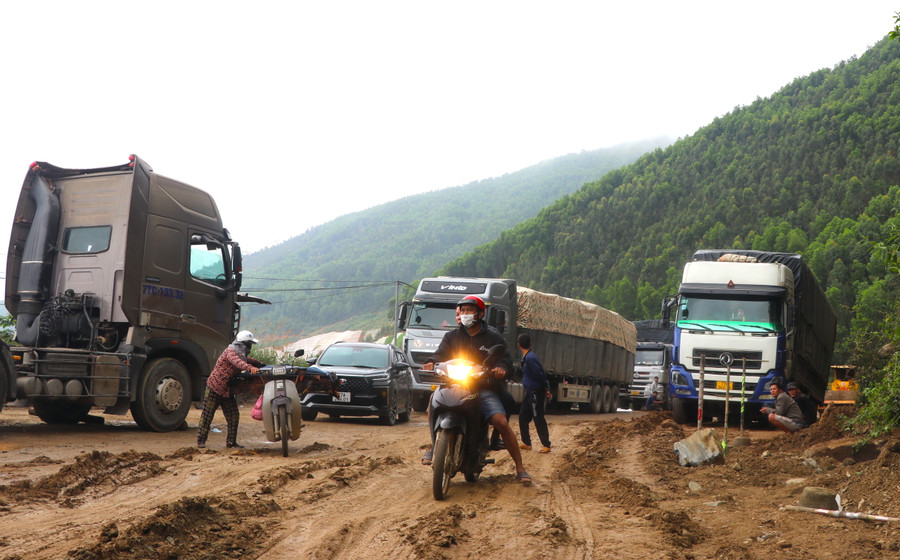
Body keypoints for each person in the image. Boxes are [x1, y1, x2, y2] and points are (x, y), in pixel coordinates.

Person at [420, 295, 532, 484]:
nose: (465, 314)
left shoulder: (493, 337)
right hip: (454, 384)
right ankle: (434, 446)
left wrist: (501, 369)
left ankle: (520, 468)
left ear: (480, 314)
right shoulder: (452, 336)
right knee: (433, 405)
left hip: (482, 388)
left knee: (501, 422)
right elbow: (440, 354)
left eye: (469, 310)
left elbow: (504, 359)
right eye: (462, 310)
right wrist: (431, 362)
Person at [197, 330, 266, 449]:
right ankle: (201, 441)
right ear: (244, 344)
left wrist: (261, 365)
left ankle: (231, 442)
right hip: (215, 387)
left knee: (234, 415)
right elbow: (238, 363)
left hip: (227, 390)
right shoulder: (230, 352)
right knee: (207, 415)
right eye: (249, 344)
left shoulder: (240, 354)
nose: (250, 347)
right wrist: (250, 368)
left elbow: (247, 360)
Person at [516, 333, 552, 454]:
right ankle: (527, 443)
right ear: (531, 343)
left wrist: (546, 388)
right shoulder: (527, 357)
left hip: (536, 392)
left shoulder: (530, 358)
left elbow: (540, 374)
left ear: (518, 345)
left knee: (538, 417)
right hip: (529, 392)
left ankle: (546, 444)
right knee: (522, 416)